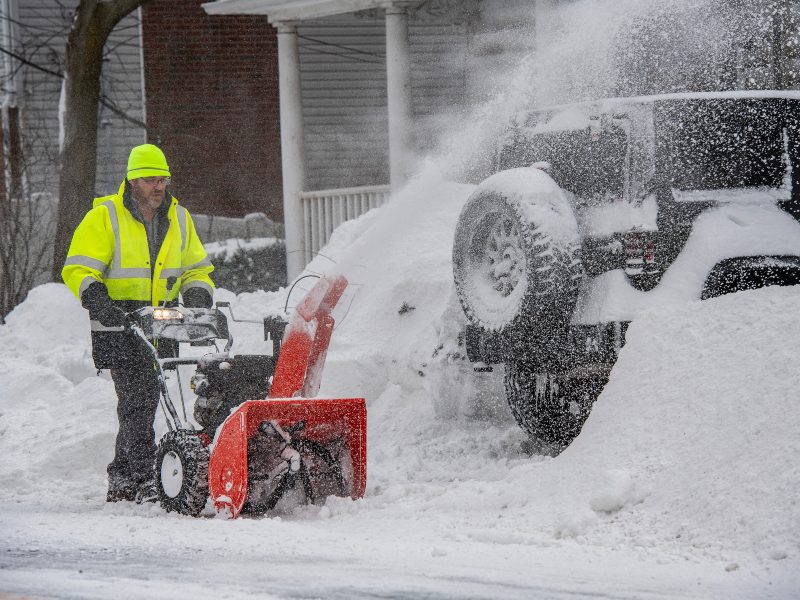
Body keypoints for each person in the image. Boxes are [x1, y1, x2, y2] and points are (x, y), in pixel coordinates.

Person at [62, 144, 215, 503]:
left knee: (141, 402)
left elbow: (197, 268)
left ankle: (122, 477)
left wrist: (196, 295)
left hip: (161, 323)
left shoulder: (179, 218)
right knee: (138, 400)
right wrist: (97, 300)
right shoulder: (105, 216)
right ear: (132, 181)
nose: (158, 186)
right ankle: (144, 478)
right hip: (118, 323)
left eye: (162, 178)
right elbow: (78, 268)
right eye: (149, 179)